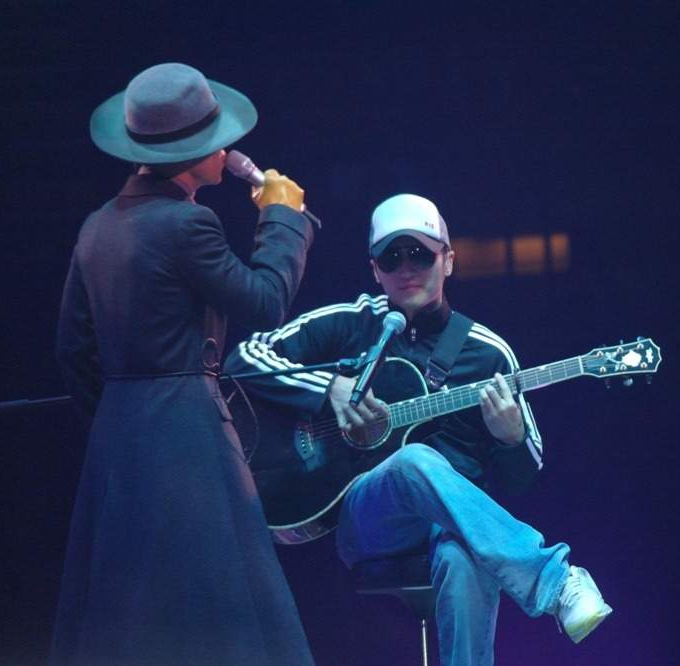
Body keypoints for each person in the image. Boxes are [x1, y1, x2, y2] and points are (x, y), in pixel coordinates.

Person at [225, 193, 612, 665]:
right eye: (391, 257)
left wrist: (511, 438)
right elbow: (245, 359)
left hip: (458, 527)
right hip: (368, 521)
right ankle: (556, 582)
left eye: (420, 254)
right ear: (375, 270)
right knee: (413, 461)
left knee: (464, 558)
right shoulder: (353, 321)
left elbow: (521, 479)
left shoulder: (489, 353)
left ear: (448, 260)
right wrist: (328, 390)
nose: (406, 268)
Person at [52, 63, 316, 665]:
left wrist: (123, 419)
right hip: (188, 433)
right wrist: (282, 218)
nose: (227, 149)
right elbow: (264, 302)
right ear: (190, 154)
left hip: (119, 438)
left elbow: (73, 351)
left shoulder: (96, 227)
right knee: (216, 604)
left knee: (134, 611)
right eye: (217, 139)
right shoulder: (187, 223)